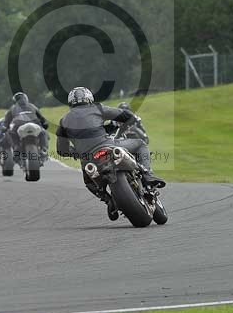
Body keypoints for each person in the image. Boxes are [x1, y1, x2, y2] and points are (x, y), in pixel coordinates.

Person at [56, 87, 165, 216]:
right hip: (108, 145)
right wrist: (130, 119)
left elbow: (61, 150)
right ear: (89, 99)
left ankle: (109, 201)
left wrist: (77, 153)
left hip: (88, 159)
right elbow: (124, 115)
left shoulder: (63, 121)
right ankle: (147, 174)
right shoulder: (97, 108)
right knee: (140, 144)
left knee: (89, 182)